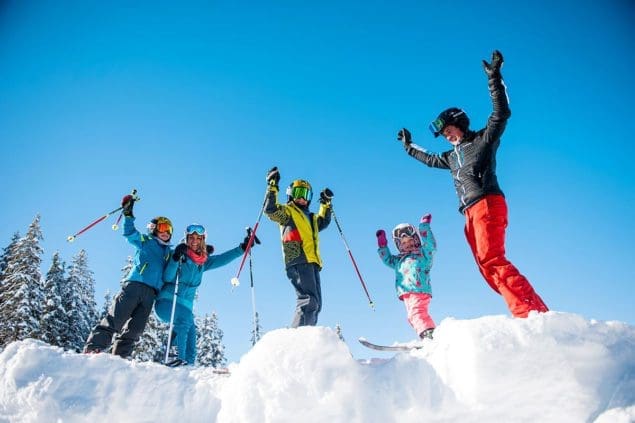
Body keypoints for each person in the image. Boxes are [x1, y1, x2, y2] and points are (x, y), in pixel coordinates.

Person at [397, 50, 548, 318]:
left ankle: (529, 312)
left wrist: (494, 80)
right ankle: (528, 310)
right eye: (443, 135)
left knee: (492, 260)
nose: (447, 137)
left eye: (449, 130)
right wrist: (409, 148)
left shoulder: (481, 141)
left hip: (487, 203)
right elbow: (430, 159)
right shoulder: (450, 157)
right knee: (485, 267)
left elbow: (501, 114)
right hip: (469, 213)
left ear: (459, 123)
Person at [154, 224, 254, 367]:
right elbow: (168, 277)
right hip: (167, 301)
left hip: (185, 307)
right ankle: (175, 356)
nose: (194, 241)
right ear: (186, 239)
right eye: (191, 238)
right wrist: (176, 258)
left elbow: (222, 259)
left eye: (198, 238)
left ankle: (187, 366)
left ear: (203, 240)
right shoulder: (180, 254)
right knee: (184, 320)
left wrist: (243, 248)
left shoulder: (202, 262)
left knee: (192, 334)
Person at [84, 195, 172, 357]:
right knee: (116, 318)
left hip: (151, 294)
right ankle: (94, 348)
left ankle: (119, 357)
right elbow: (129, 233)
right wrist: (128, 214)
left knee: (136, 329)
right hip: (135, 285)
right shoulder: (145, 241)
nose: (166, 232)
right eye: (162, 228)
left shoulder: (169, 253)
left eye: (169, 230)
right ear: (154, 229)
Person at [264, 166, 333, 327]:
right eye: (298, 193)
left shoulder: (311, 218)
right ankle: (297, 339)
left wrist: (325, 203)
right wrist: (272, 185)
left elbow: (324, 221)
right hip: (298, 259)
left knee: (316, 303)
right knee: (308, 301)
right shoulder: (288, 212)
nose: (302, 198)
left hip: (312, 262)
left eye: (306, 194)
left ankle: (307, 337)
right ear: (291, 194)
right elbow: (271, 210)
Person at [376, 214, 437, 340]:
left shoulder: (423, 255)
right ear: (399, 246)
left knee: (417, 314)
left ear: (416, 240)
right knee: (412, 316)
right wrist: (382, 246)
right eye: (403, 243)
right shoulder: (398, 260)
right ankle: (430, 334)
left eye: (410, 240)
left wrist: (424, 227)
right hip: (407, 294)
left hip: (419, 290)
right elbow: (387, 259)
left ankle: (428, 335)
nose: (407, 244)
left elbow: (430, 245)